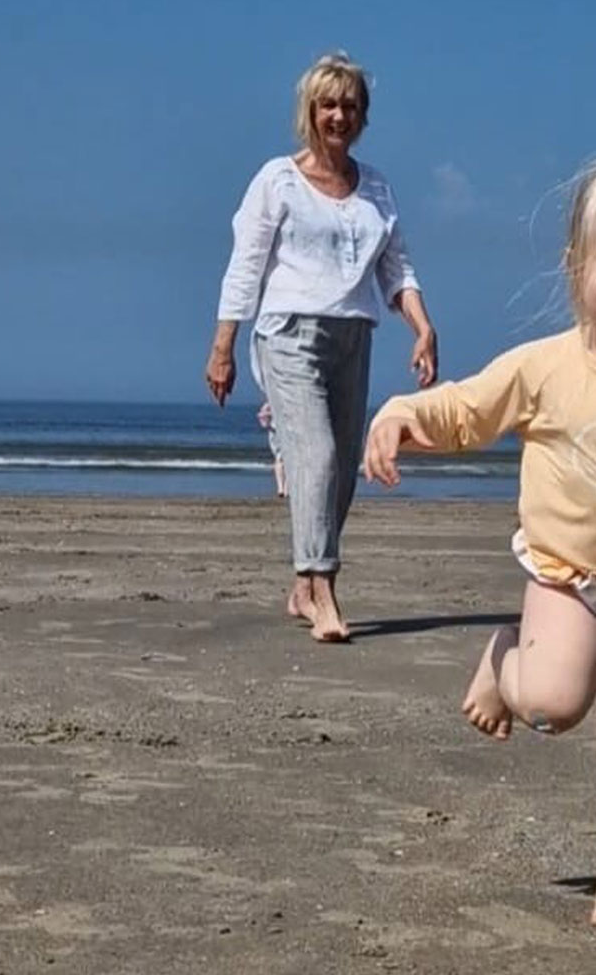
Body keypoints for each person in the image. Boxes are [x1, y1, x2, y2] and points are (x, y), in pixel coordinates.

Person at [364, 164, 596, 759]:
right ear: (577, 266)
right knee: (551, 705)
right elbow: (468, 409)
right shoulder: (544, 369)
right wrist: (401, 418)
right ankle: (506, 659)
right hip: (570, 575)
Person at [205, 52, 437, 642]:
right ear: (310, 111)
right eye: (328, 104)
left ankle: (302, 583)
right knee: (319, 457)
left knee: (342, 476)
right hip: (288, 335)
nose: (339, 115)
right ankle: (324, 591)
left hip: (353, 336)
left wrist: (422, 327)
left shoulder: (376, 187)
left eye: (350, 105)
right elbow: (245, 267)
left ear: (362, 115)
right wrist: (223, 346)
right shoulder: (277, 179)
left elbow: (396, 268)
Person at [257, 401, 288, 497]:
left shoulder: (271, 403)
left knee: (283, 461)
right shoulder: (270, 403)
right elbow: (263, 419)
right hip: (278, 434)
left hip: (282, 433)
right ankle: (282, 488)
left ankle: (284, 488)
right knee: (281, 460)